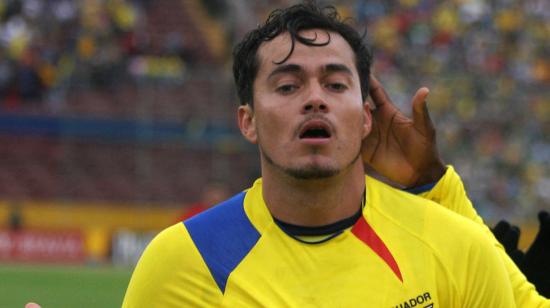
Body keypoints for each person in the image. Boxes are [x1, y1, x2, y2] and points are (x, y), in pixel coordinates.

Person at [122, 3, 546, 307]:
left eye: (336, 84)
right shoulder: (181, 264)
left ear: (366, 117)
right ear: (247, 121)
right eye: (287, 86)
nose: (314, 99)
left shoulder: (459, 249)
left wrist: (436, 189)